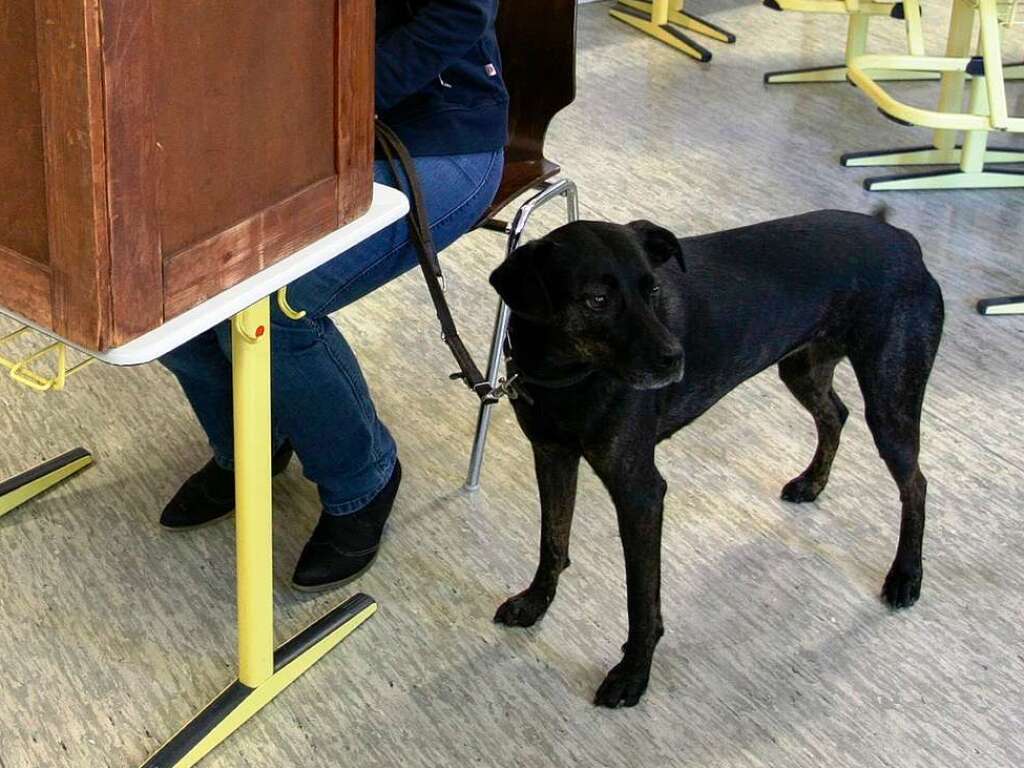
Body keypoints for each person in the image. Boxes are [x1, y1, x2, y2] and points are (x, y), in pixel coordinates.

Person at [159, 0, 508, 591]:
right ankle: (250, 446)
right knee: (167, 282)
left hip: (435, 134)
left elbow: (457, 15)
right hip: (296, 129)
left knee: (278, 307)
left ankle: (363, 479)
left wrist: (337, 96)